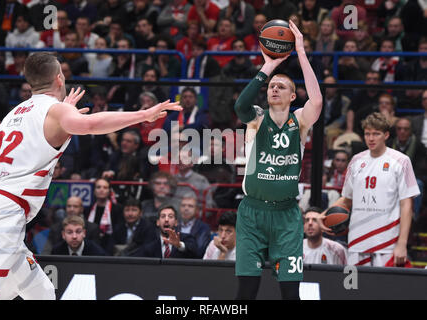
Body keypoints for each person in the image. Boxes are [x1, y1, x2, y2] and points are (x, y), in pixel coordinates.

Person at [0, 52, 181, 300]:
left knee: (42, 293)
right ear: (60, 78)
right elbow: (91, 125)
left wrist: (65, 113)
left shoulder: (13, 114)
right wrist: (142, 115)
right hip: (1, 216)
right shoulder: (55, 113)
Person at [233, 20, 323, 300]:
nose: (274, 89)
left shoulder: (300, 121)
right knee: (247, 291)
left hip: (286, 217)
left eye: (281, 86)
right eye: (272, 86)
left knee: (290, 292)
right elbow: (240, 106)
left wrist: (301, 52)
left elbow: (317, 102)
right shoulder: (257, 118)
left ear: (293, 96)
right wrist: (268, 67)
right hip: (251, 214)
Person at [319, 112, 421, 267]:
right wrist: (324, 214)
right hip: (356, 240)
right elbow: (346, 199)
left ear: (386, 135)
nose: (371, 138)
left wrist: (402, 243)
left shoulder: (401, 161)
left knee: (383, 290)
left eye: (376, 134)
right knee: (353, 288)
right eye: (367, 134)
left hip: (387, 243)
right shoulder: (356, 160)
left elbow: (407, 205)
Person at [132, 204, 198, 258]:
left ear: (176, 222)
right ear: (158, 222)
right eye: (163, 216)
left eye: (170, 216)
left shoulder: (187, 238)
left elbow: (195, 253)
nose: (166, 219)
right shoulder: (149, 242)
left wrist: (179, 245)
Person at [178, 193, 212, 258]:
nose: (186, 209)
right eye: (183, 205)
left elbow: (200, 251)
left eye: (190, 206)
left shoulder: (203, 228)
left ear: (197, 210)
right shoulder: (174, 225)